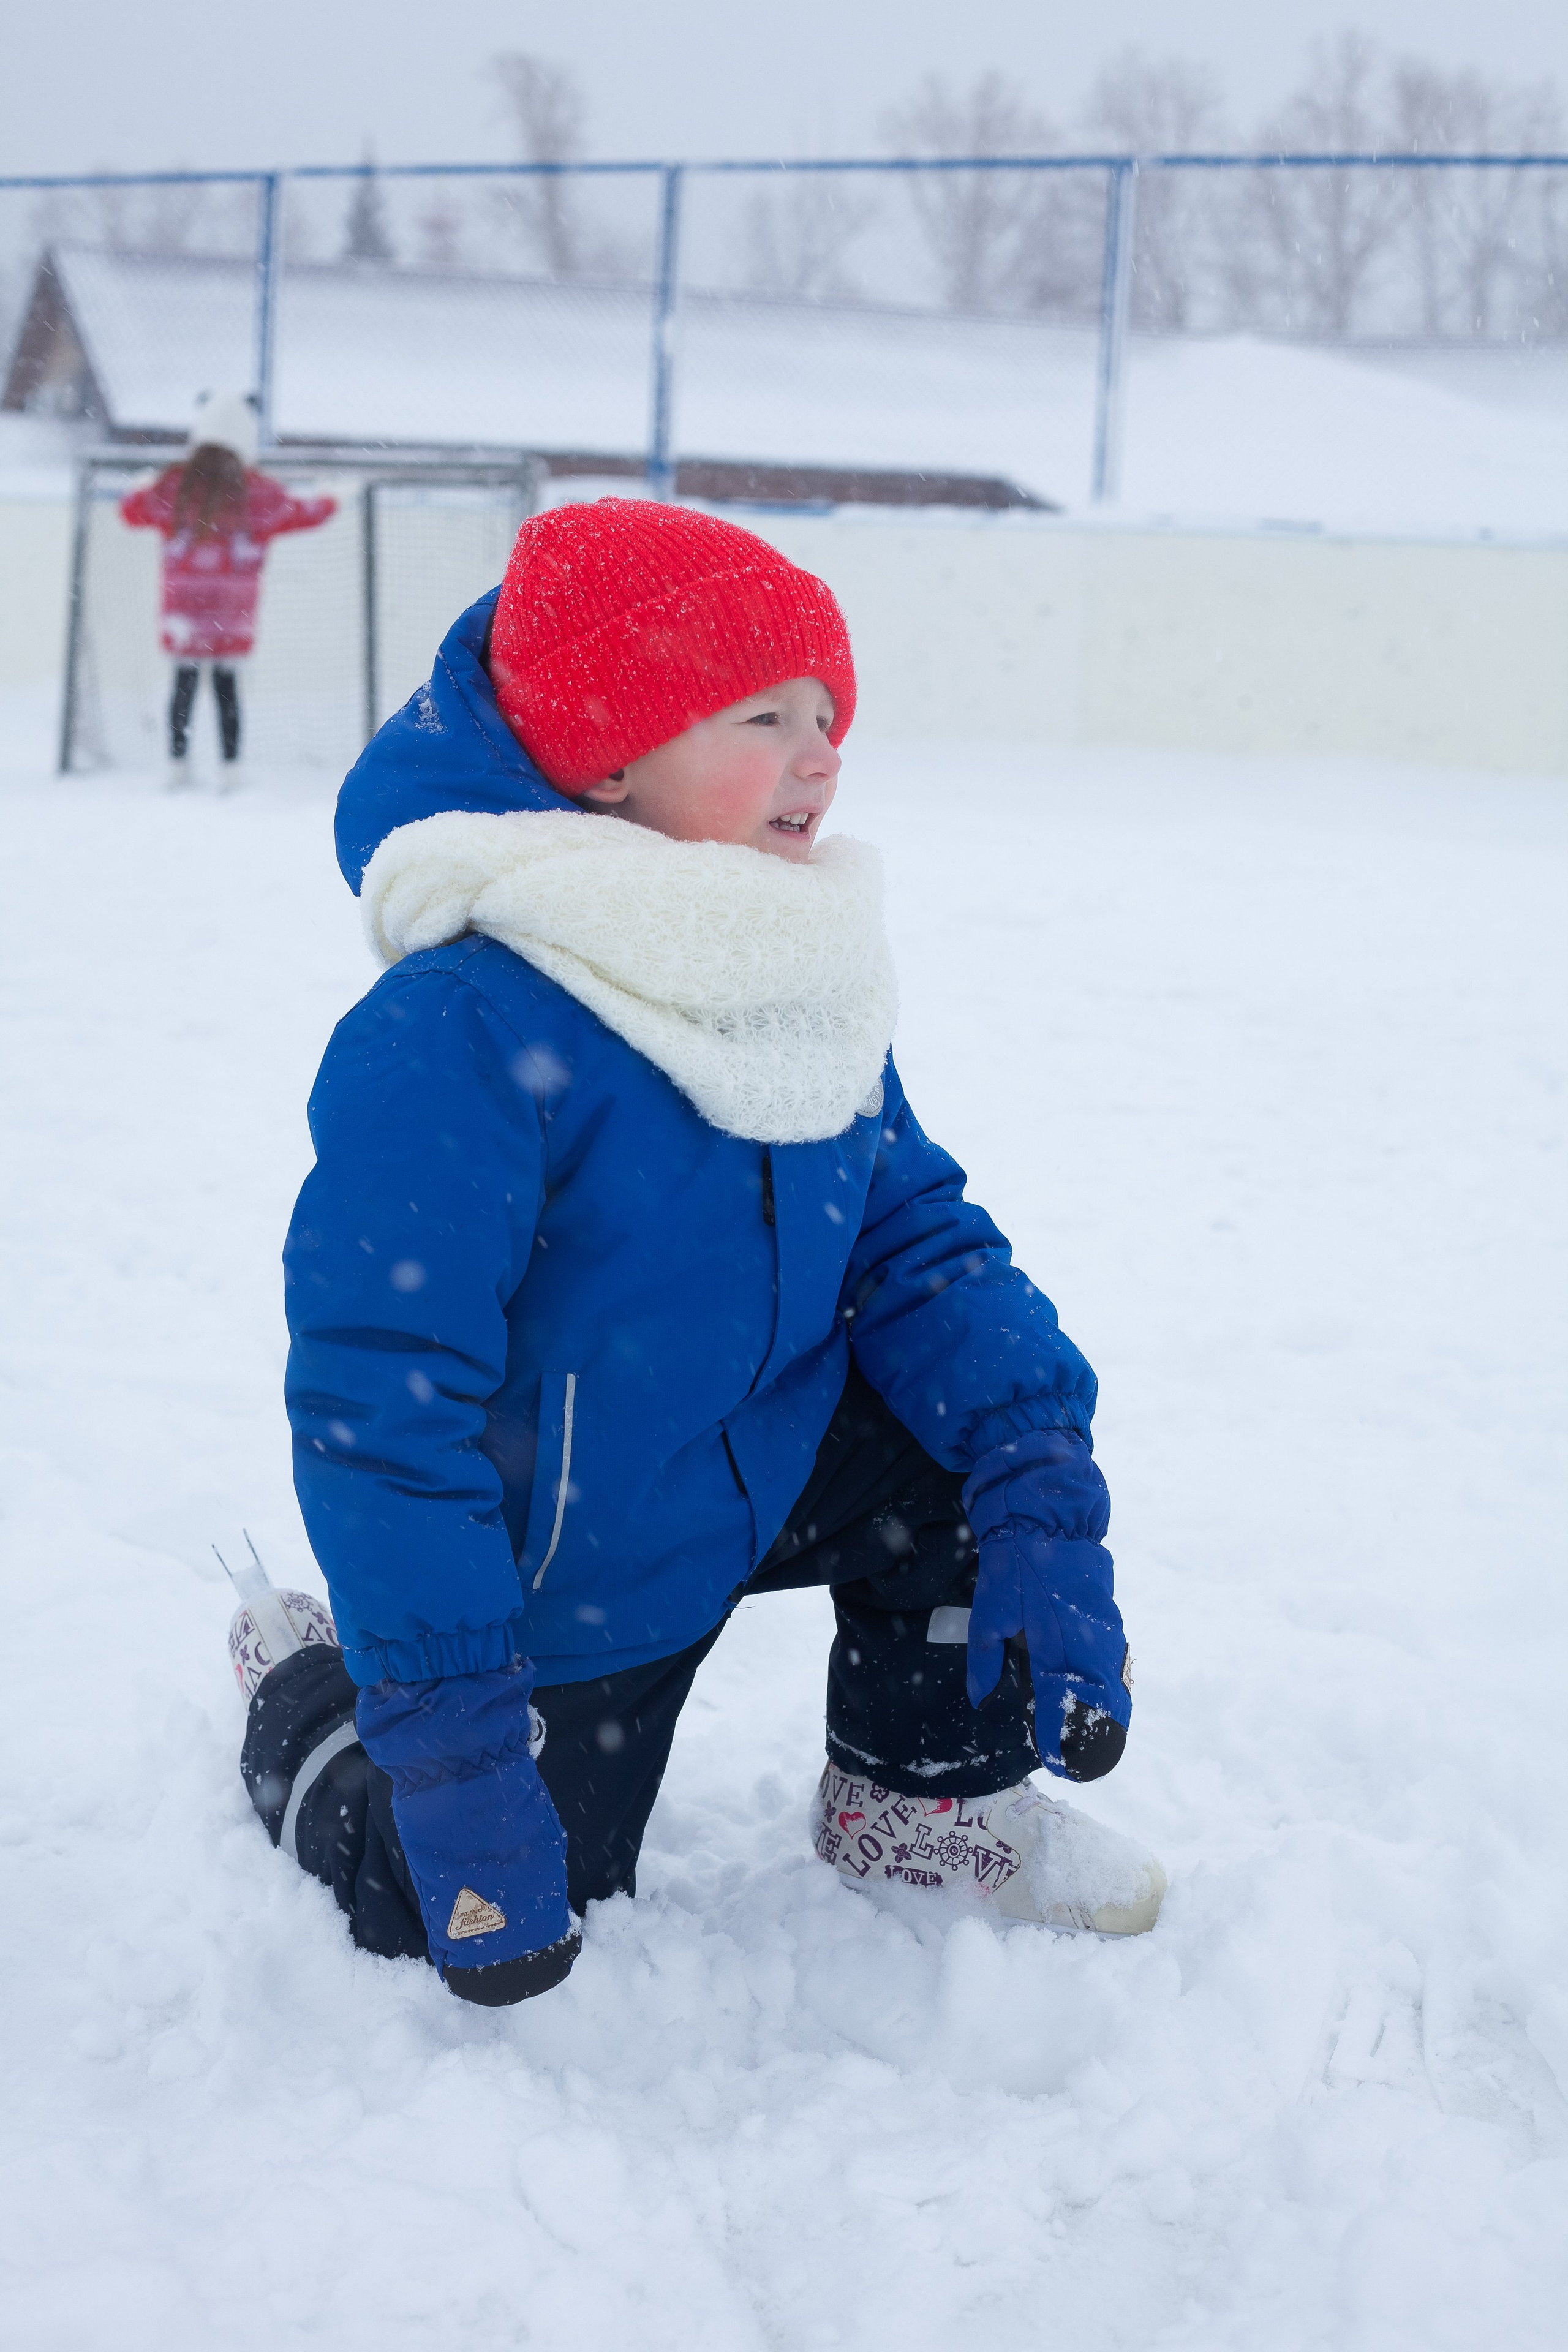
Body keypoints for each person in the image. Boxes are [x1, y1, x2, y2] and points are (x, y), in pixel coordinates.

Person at [239, 499, 1165, 2007]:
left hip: (752, 1460)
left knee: (957, 1440)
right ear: (610, 757)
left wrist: (1036, 1478)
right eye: (762, 717)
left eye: (826, 716)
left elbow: (912, 1243)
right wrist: (457, 1742)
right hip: (562, 1560)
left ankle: (919, 1805)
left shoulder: (790, 965)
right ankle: (312, 1687)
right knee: (465, 1897)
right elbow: (381, 1394)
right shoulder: (460, 1026)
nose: (820, 755)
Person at [119, 390, 335, 789]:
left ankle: (177, 765)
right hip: (230, 613)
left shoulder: (175, 485)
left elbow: (132, 512)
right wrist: (330, 499)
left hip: (183, 610)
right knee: (226, 689)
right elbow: (304, 514)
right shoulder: (257, 491)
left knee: (183, 684)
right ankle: (230, 770)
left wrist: (140, 488)